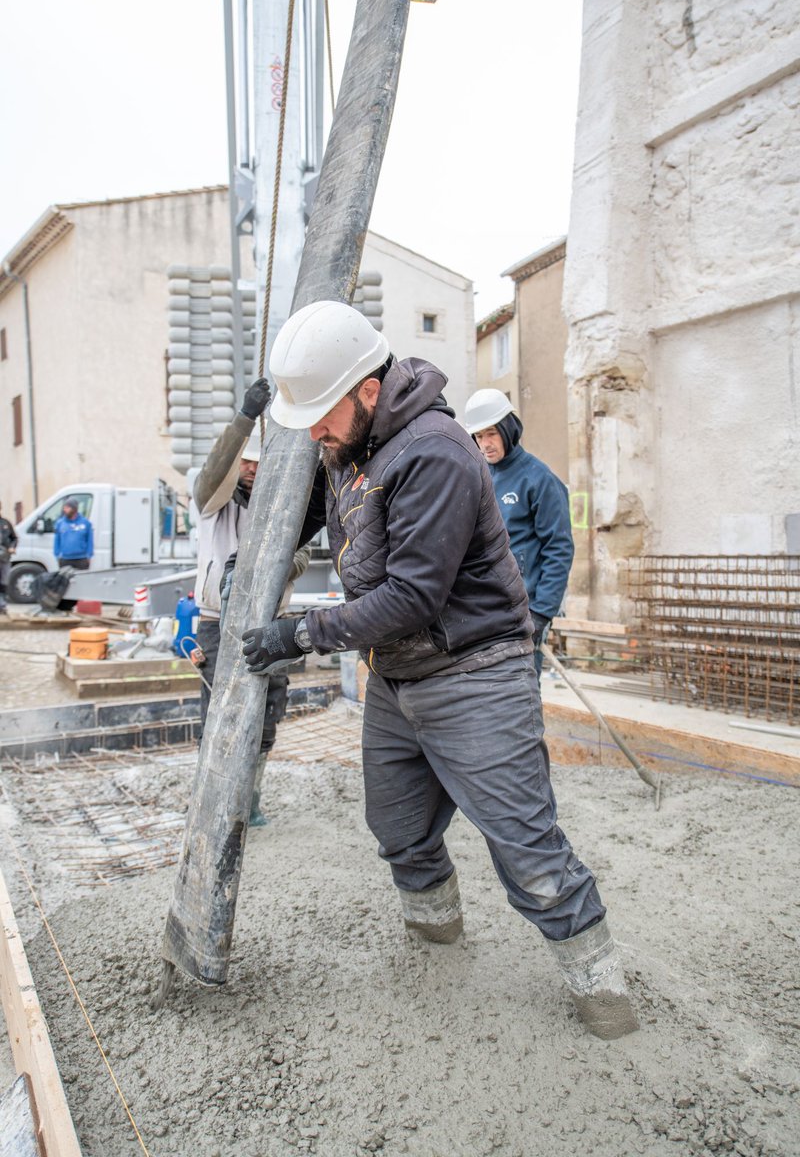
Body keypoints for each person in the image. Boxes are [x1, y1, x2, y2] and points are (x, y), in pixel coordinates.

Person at [239, 300, 638, 1040]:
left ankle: (605, 999)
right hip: (399, 676)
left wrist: (300, 633)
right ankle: (437, 942)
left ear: (367, 388)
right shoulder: (350, 446)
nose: (316, 433)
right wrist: (265, 542)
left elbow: (413, 595)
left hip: (474, 672)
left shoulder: (435, 451)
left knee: (528, 850)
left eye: (323, 414)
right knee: (397, 827)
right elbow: (319, 513)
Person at [193, 377, 310, 827]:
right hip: (217, 624)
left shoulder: (283, 511)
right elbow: (211, 475)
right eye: (245, 463)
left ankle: (250, 799)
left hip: (271, 622)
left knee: (267, 717)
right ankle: (213, 802)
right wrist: (245, 419)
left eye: (259, 464)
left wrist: (267, 567)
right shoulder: (213, 505)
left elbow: (301, 554)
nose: (252, 470)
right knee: (218, 717)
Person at [464, 388, 574, 677]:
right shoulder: (480, 477)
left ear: (507, 429)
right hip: (484, 610)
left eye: (491, 434)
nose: (485, 444)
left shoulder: (540, 480)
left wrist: (541, 612)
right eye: (478, 437)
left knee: (521, 696)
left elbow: (559, 549)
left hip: (523, 612)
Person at [53, 498, 93, 569]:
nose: (64, 510)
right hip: (65, 559)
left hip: (81, 559)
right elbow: (57, 540)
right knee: (65, 579)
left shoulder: (85, 523)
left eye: (67, 507)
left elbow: (89, 540)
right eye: (64, 508)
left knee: (81, 579)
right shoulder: (60, 523)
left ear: (74, 509)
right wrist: (57, 555)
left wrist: (89, 556)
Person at [0, 503, 18, 614]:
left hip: (4, 557)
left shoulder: (5, 523)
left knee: (4, 582)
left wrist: (12, 547)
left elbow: (14, 538)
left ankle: (2, 605)